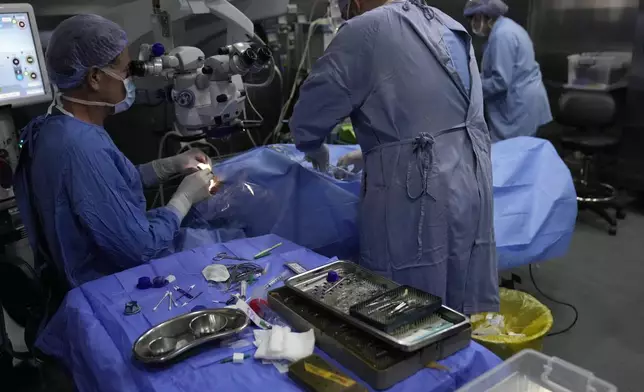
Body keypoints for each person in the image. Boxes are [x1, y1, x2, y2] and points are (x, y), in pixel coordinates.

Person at [291, 0, 499, 314]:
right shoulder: (447, 23)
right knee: (461, 287)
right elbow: (432, 110)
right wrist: (376, 149)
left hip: (417, 190)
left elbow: (309, 114)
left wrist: (313, 146)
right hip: (471, 179)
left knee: (409, 306)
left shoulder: (365, 29)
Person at [14, 15, 215, 287]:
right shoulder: (82, 147)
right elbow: (141, 249)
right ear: (95, 77)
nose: (129, 81)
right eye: (125, 72)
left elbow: (104, 186)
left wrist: (169, 165)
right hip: (108, 285)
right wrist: (184, 198)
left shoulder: (53, 127)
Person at [464, 0, 552, 142]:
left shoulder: (502, 36)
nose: (473, 24)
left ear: (487, 16)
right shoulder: (507, 28)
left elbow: (500, 81)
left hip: (519, 106)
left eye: (475, 19)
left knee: (513, 154)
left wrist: (471, 87)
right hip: (522, 100)